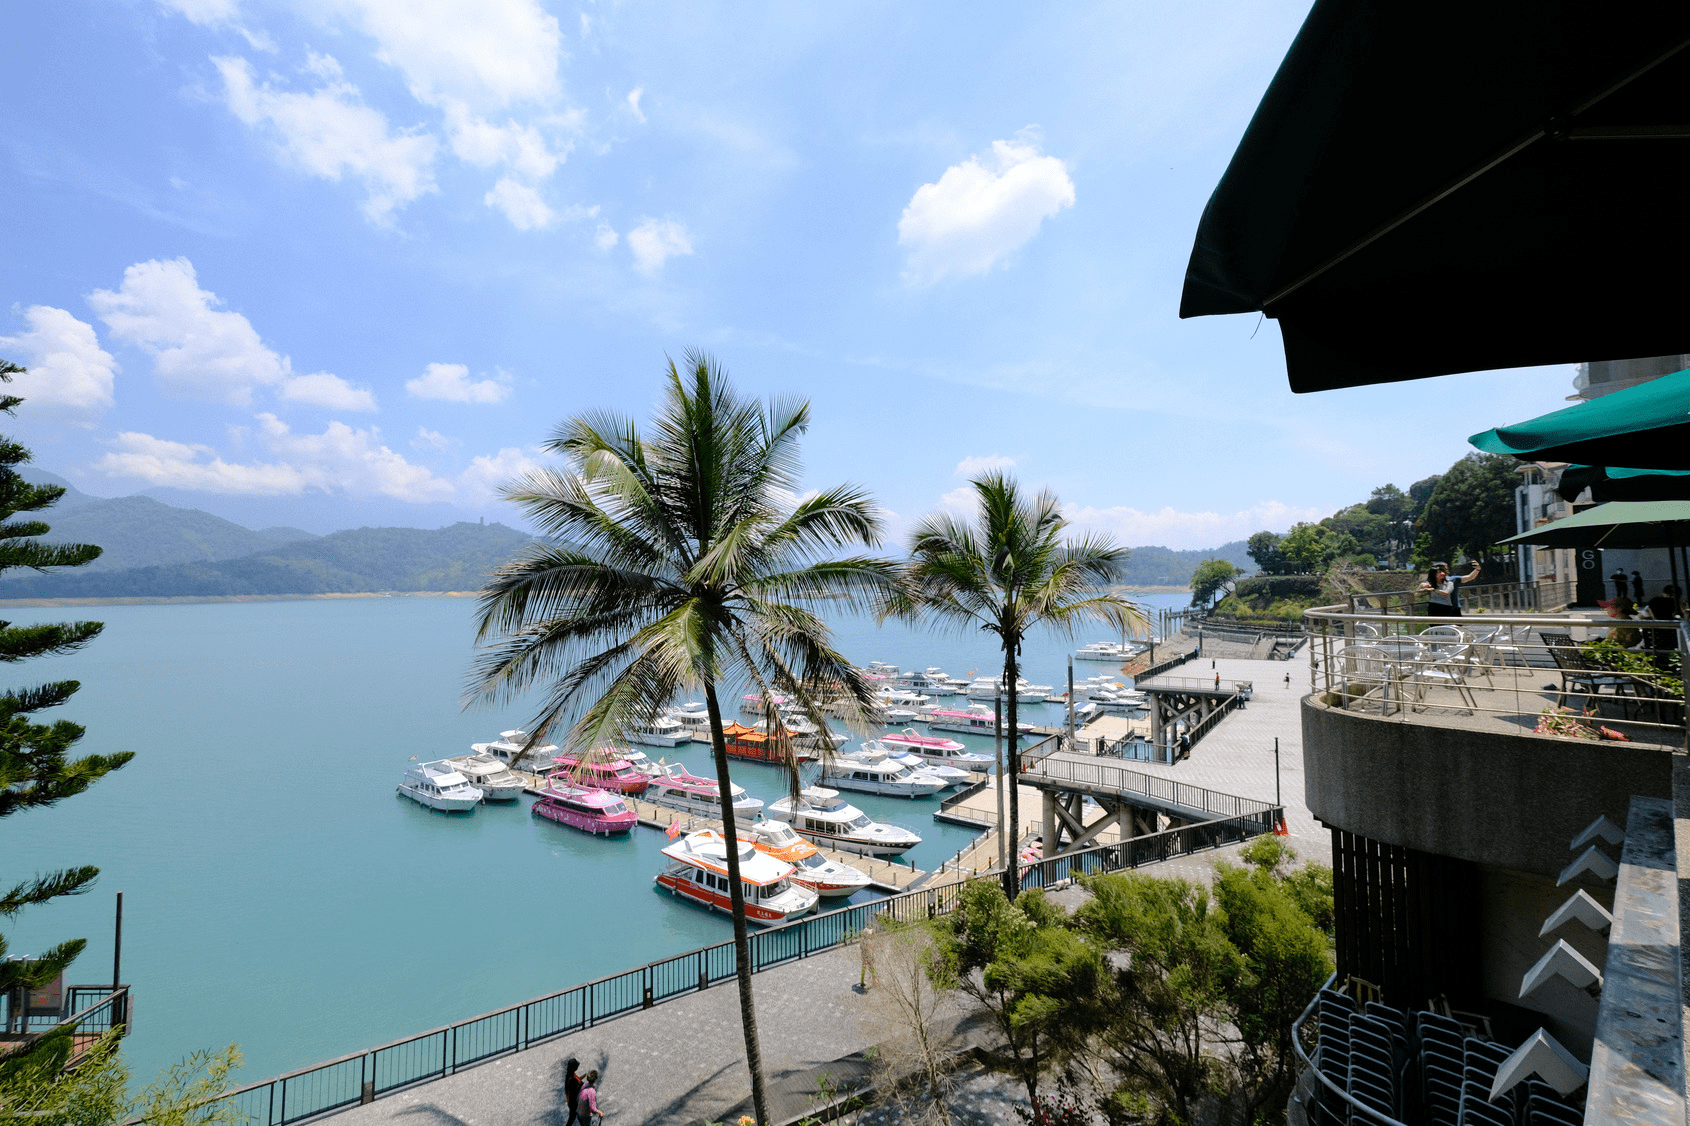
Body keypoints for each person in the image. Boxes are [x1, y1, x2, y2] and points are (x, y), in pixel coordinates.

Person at [564, 1059, 583, 1126]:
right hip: (574, 1102)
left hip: (572, 1101)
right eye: (576, 1066)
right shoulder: (571, 1079)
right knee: (572, 1118)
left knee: (578, 1115)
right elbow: (576, 1090)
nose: (577, 1067)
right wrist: (581, 1085)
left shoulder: (570, 1074)